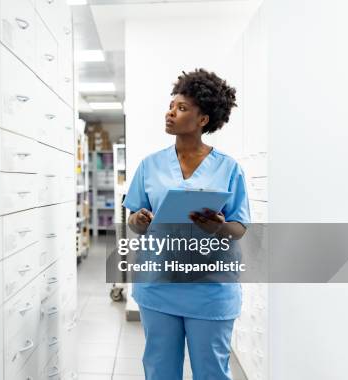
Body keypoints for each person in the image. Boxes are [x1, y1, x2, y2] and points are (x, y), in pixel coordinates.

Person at [122, 68, 250, 380]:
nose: (170, 113)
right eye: (171, 106)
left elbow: (240, 227)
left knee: (211, 371)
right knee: (160, 369)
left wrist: (218, 227)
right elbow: (135, 221)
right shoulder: (150, 165)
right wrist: (139, 219)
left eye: (181, 108)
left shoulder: (229, 168)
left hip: (210, 288)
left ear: (203, 119)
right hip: (159, 285)